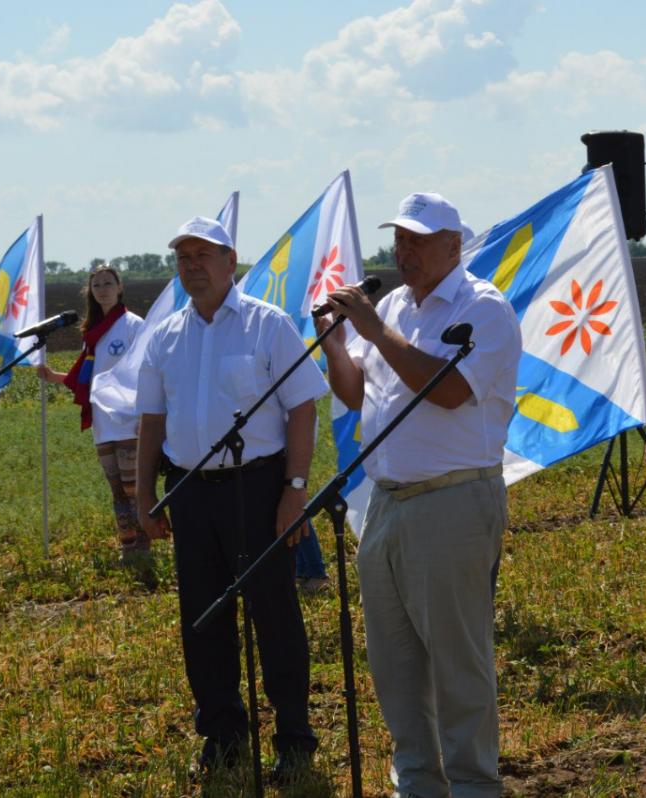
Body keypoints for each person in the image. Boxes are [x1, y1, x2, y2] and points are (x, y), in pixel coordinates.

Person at [316, 192, 522, 798]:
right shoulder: (395, 308)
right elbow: (356, 394)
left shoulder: (483, 307)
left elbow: (451, 390)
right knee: (396, 662)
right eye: (398, 239)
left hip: (453, 500)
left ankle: (473, 785)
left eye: (418, 240)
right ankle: (419, 783)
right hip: (386, 501)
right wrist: (333, 340)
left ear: (453, 247)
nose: (403, 251)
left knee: (458, 661)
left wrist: (374, 330)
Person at [134, 216, 327, 780]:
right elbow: (152, 418)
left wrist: (295, 491)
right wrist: (145, 493)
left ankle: (293, 739)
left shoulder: (268, 327)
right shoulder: (166, 336)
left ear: (230, 262)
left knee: (275, 617)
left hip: (259, 489)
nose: (191, 266)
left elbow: (304, 408)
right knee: (203, 619)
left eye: (202, 256)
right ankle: (222, 737)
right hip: (190, 493)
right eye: (182, 258)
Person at [37, 264, 151, 572]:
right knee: (116, 489)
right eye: (96, 285)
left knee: (134, 488)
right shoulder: (92, 332)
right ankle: (127, 546)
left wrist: (145, 414)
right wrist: (54, 377)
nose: (102, 289)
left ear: (120, 287)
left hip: (128, 420)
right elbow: (87, 377)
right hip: (103, 423)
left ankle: (145, 547)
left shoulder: (132, 325)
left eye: (107, 283)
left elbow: (146, 372)